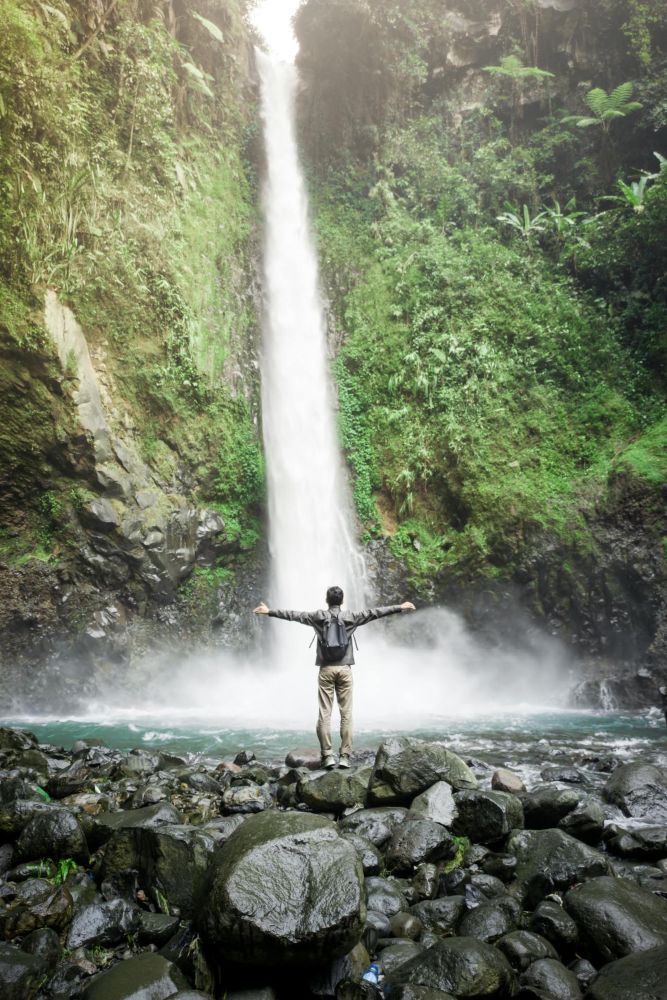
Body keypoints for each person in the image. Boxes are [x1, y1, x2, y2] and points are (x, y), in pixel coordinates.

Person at [254, 586, 416, 769]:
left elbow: (293, 615)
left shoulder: (317, 617)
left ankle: (328, 756)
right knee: (346, 714)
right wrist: (400, 607)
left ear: (326, 600)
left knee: (325, 714)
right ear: (342, 601)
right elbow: (376, 613)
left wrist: (269, 612)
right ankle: (345, 756)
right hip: (345, 669)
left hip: (325, 669)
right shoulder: (352, 617)